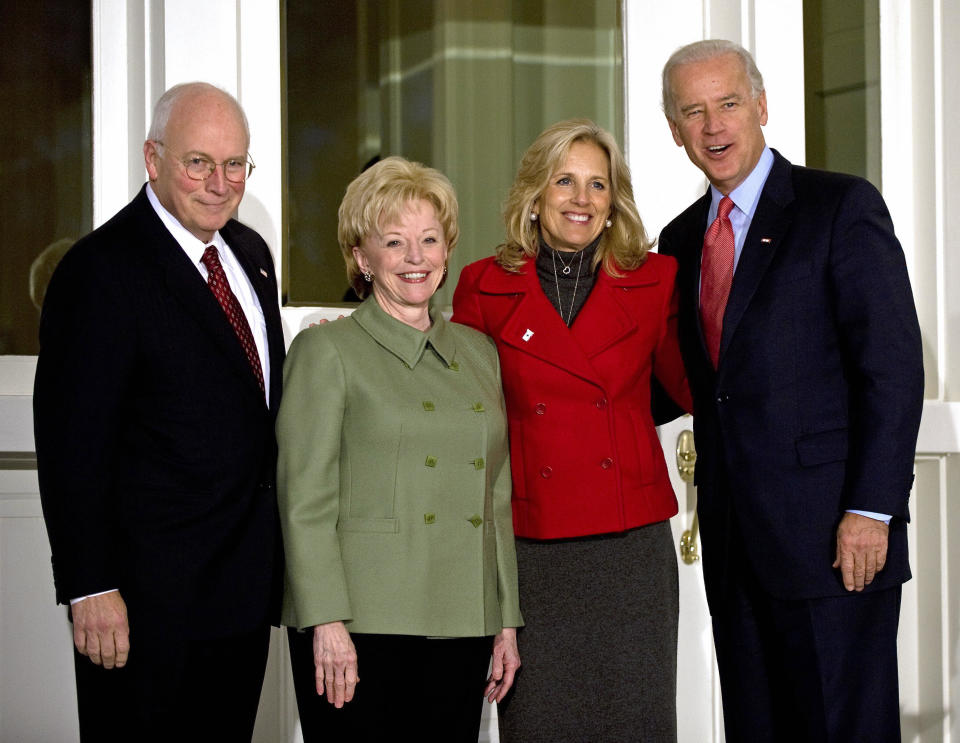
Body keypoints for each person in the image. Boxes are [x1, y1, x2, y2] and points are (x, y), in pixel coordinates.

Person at [657, 40, 924, 742]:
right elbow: (678, 381)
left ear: (763, 105)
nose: (714, 126)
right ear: (674, 129)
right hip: (736, 547)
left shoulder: (839, 207)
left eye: (729, 103)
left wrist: (872, 509)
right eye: (693, 111)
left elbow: (892, 371)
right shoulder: (678, 242)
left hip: (836, 541)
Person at [33, 82, 284, 742]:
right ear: (153, 158)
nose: (219, 182)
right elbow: (71, 444)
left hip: (242, 594)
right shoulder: (99, 271)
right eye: (198, 161)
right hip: (144, 606)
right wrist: (89, 586)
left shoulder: (252, 257)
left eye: (236, 164)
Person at [452, 119, 692, 742]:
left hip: (629, 548)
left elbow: (696, 387)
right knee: (540, 724)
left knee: (636, 725)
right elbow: (456, 402)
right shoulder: (484, 284)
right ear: (535, 195)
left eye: (598, 185)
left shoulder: (655, 280)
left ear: (615, 203)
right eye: (565, 181)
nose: (582, 199)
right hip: (531, 546)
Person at [277, 156, 522, 743]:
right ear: (362, 258)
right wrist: (325, 625)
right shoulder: (327, 352)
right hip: (362, 624)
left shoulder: (479, 353)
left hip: (463, 619)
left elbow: (497, 498)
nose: (416, 258)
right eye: (394, 241)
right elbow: (303, 502)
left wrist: (505, 620)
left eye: (430, 239)